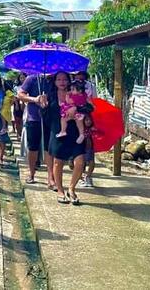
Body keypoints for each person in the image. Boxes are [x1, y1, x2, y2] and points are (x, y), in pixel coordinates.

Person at [46, 71, 89, 205]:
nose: (62, 82)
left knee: (80, 162)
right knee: (58, 162)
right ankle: (60, 190)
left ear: (69, 80)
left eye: (64, 79)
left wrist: (76, 109)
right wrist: (42, 104)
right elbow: (46, 115)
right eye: (59, 79)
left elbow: (88, 107)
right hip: (58, 132)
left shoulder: (77, 93)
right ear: (55, 82)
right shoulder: (50, 95)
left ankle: (71, 188)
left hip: (77, 132)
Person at [17, 74, 53, 187]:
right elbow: (20, 94)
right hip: (34, 118)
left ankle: (51, 177)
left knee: (49, 148)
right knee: (33, 147)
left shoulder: (56, 79)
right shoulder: (32, 78)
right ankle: (31, 173)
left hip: (51, 118)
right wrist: (34, 99)